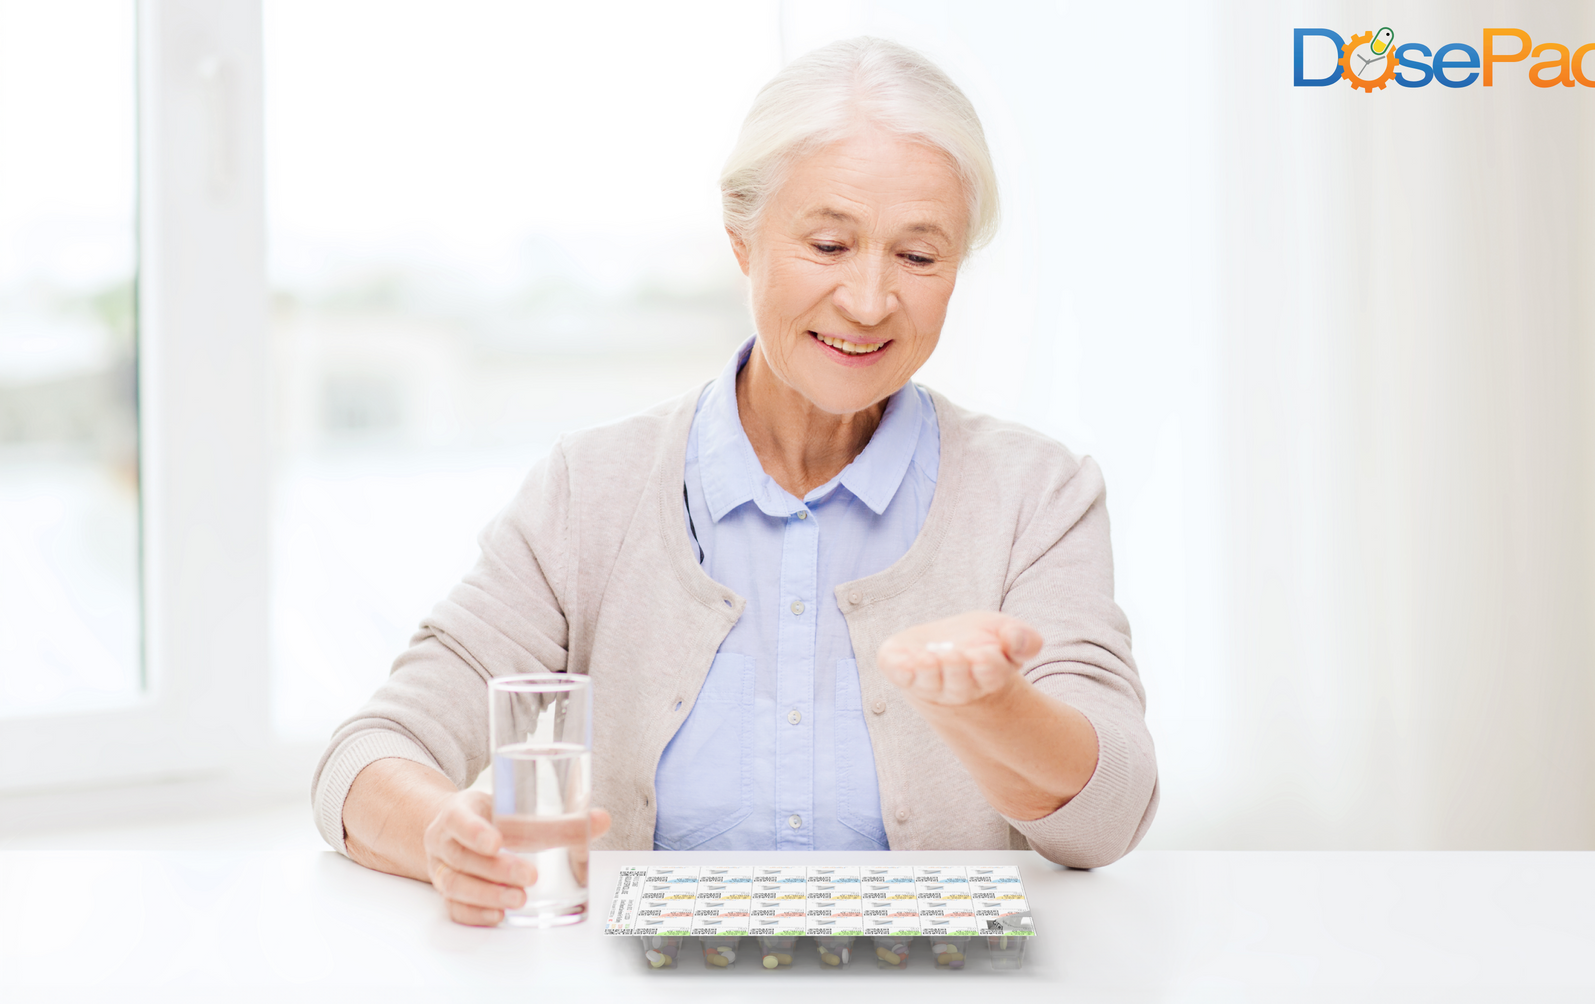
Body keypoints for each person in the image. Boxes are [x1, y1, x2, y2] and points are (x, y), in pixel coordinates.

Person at [312, 36, 1159, 927]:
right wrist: (443, 834)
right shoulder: (588, 492)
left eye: (918, 257)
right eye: (829, 243)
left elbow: (1112, 815)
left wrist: (998, 711)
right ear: (743, 239)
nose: (869, 301)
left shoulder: (1039, 495)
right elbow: (367, 755)